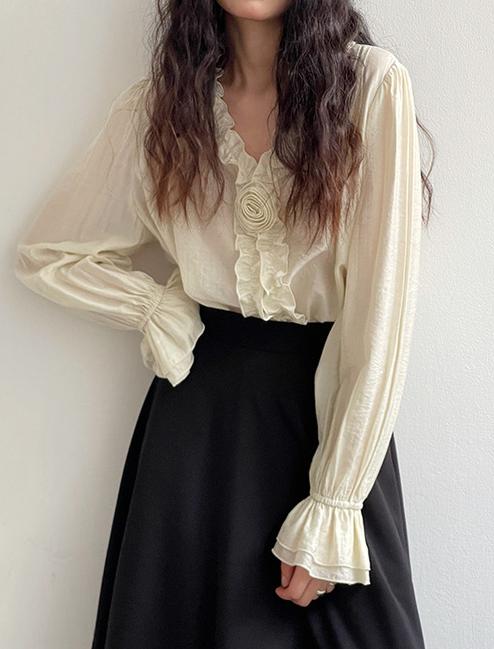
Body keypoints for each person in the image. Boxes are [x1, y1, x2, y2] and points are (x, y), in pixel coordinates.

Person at [13, 1, 434, 647]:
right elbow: (48, 254)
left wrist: (335, 502)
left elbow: (382, 314)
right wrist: (151, 306)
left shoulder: (370, 87)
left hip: (330, 422)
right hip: (197, 429)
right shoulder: (160, 108)